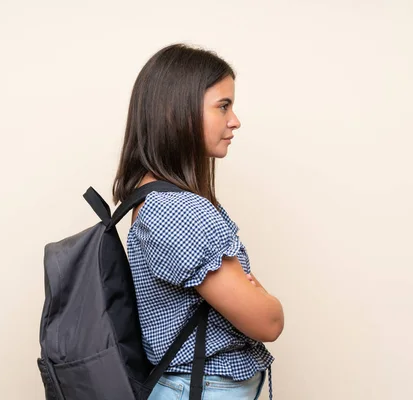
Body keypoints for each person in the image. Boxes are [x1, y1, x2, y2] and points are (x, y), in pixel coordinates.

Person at [112, 43, 284, 400]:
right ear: (178, 112)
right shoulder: (177, 210)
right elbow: (268, 322)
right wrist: (266, 299)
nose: (234, 120)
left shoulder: (159, 199)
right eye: (223, 106)